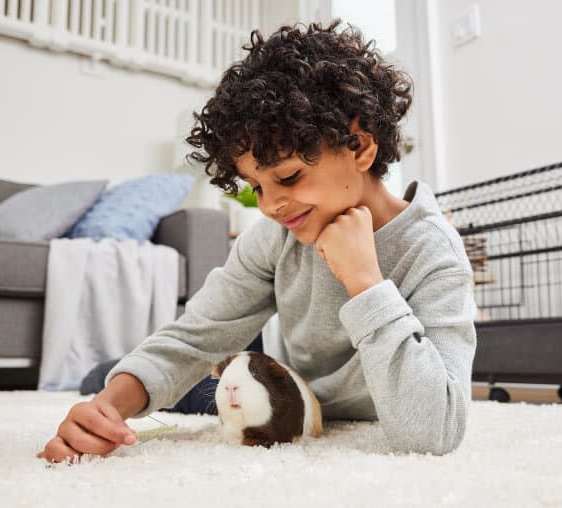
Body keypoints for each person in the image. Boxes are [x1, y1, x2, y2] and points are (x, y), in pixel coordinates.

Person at [37, 19, 476, 462]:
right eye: (257, 187)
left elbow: (434, 433)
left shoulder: (434, 253)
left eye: (288, 177)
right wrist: (108, 408)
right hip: (274, 386)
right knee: (108, 377)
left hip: (300, 391)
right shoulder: (274, 239)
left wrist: (366, 282)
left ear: (360, 145)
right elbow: (195, 339)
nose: (270, 206)